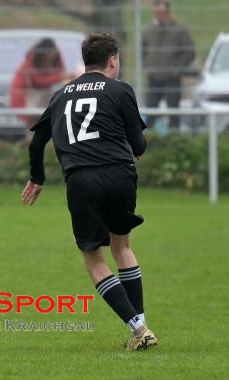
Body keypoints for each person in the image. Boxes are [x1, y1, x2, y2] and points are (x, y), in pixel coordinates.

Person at [21, 33, 157, 351]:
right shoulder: (121, 89)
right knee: (121, 247)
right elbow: (139, 146)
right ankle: (140, 328)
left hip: (82, 179)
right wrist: (130, 146)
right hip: (121, 174)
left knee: (94, 258)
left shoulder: (61, 94)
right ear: (112, 59)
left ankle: (140, 329)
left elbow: (37, 141)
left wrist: (37, 178)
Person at [142, 0, 195, 129]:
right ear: (154, 12)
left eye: (163, 11)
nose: (160, 14)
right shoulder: (148, 29)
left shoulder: (179, 28)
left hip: (172, 78)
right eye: (157, 11)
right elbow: (143, 51)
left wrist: (177, 68)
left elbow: (189, 51)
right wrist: (147, 67)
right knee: (150, 113)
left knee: (174, 114)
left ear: (168, 12)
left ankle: (174, 143)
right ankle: (149, 143)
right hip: (153, 78)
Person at [10, 38, 76, 126]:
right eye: (46, 58)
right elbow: (38, 80)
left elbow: (61, 71)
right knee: (31, 120)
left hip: (41, 95)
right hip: (26, 95)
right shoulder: (31, 59)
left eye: (51, 59)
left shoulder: (56, 54)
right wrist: (61, 77)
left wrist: (63, 76)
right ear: (41, 56)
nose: (48, 62)